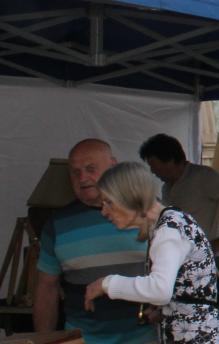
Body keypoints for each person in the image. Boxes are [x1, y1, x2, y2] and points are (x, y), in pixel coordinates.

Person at [86, 162, 219, 343]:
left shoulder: (168, 231)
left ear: (130, 196)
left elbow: (160, 290)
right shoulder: (171, 222)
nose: (104, 211)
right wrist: (164, 310)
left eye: (109, 202)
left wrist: (107, 284)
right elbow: (188, 291)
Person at [33, 139, 154, 343]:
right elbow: (46, 288)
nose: (83, 178)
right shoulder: (57, 224)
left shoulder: (151, 215)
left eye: (90, 168)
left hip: (145, 338)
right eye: (75, 172)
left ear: (113, 166)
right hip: (81, 338)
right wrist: (43, 339)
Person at [139, 133, 219, 253]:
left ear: (169, 160)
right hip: (182, 259)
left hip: (207, 259)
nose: (152, 171)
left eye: (153, 165)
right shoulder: (166, 187)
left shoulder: (202, 176)